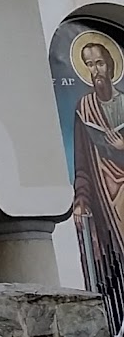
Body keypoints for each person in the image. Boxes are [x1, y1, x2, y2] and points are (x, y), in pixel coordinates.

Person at [72, 35, 124, 265]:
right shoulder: (85, 108)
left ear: (110, 65)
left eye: (100, 63)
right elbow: (82, 161)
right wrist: (81, 198)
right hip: (103, 197)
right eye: (90, 65)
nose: (96, 71)